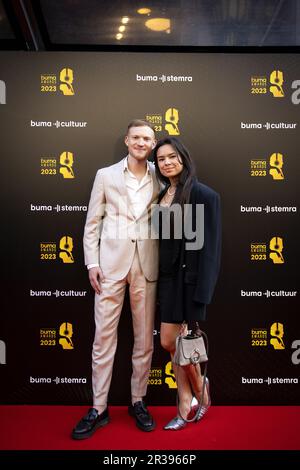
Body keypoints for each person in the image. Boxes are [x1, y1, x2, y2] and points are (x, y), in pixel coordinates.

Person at [72, 119, 159, 439]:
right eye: (136, 137)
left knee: (144, 341)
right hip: (109, 268)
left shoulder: (160, 175)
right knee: (103, 339)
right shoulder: (105, 176)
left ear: (153, 144)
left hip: (147, 268)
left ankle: (138, 401)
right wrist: (91, 263)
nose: (141, 142)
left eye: (147, 139)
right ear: (126, 140)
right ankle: (98, 407)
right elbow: (92, 223)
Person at [152, 136, 221, 430]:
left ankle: (183, 404)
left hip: (189, 282)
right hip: (166, 281)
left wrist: (202, 293)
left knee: (178, 342)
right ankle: (200, 387)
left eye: (171, 157)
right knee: (170, 342)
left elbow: (211, 249)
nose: (166, 163)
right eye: (160, 159)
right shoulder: (160, 196)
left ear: (183, 158)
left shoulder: (204, 195)